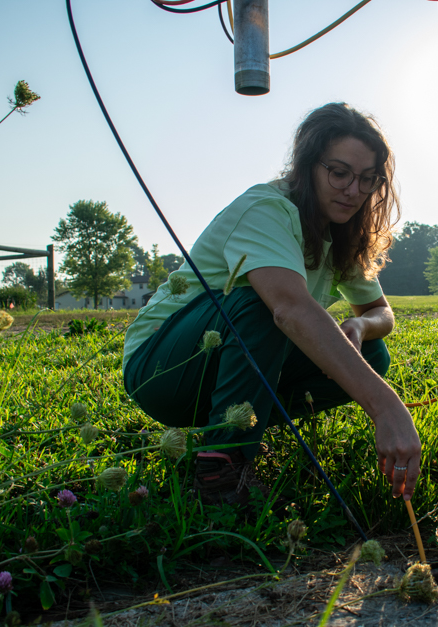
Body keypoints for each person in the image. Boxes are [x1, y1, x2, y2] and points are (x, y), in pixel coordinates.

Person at [122, 103, 421, 508]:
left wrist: (362, 327)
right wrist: (387, 408)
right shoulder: (268, 208)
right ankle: (221, 469)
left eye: (368, 179)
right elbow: (288, 308)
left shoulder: (342, 232)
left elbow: (381, 312)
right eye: (339, 173)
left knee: (373, 354)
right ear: (307, 166)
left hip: (216, 368)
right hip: (159, 366)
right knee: (261, 303)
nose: (354, 190)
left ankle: (236, 432)